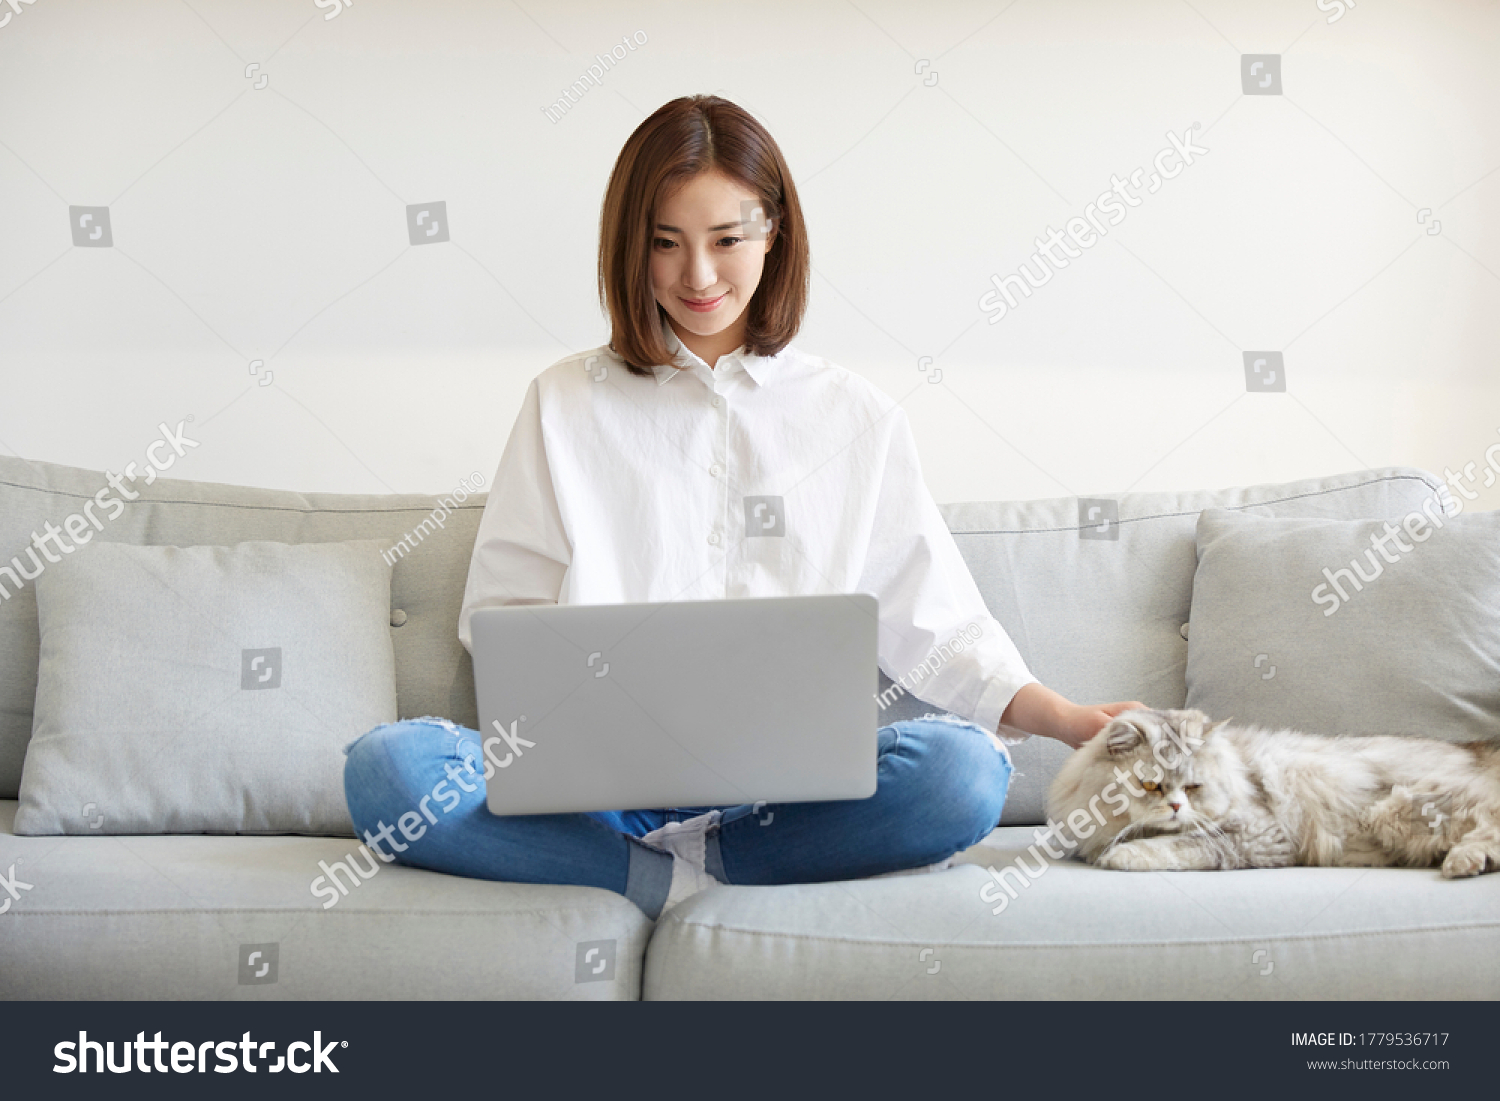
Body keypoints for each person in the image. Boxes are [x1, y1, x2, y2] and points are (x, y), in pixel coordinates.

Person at [343, 94, 1144, 920]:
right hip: (597, 799)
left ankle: (681, 868)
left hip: (785, 806)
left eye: (727, 240)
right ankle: (657, 872)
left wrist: (1063, 716)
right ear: (630, 246)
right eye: (665, 243)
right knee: (386, 770)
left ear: (775, 235)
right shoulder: (562, 403)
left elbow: (936, 625)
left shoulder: (854, 417)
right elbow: (501, 619)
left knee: (965, 775)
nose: (697, 276)